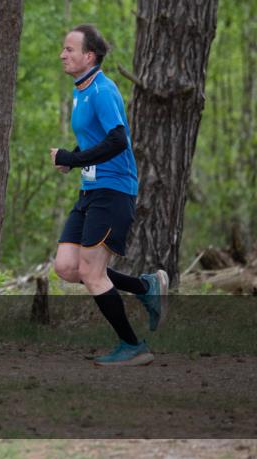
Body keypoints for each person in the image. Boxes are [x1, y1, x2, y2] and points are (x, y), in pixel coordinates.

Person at [50, 24, 168, 366]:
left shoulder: (102, 90)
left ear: (89, 56)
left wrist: (71, 159)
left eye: (69, 49)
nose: (63, 54)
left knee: (92, 273)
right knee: (67, 266)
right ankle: (145, 288)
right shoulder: (82, 89)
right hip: (91, 190)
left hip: (113, 190)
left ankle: (133, 346)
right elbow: (94, 139)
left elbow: (118, 140)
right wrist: (71, 159)